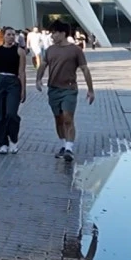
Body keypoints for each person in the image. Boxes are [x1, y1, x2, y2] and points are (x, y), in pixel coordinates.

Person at [36, 20, 94, 162]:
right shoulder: (50, 50)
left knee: (68, 118)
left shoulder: (75, 50)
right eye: (51, 33)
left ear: (63, 33)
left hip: (69, 89)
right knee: (58, 119)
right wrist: (38, 79)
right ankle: (63, 144)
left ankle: (69, 148)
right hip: (53, 89)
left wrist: (90, 90)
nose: (52, 36)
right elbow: (43, 65)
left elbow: (85, 69)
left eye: (54, 33)